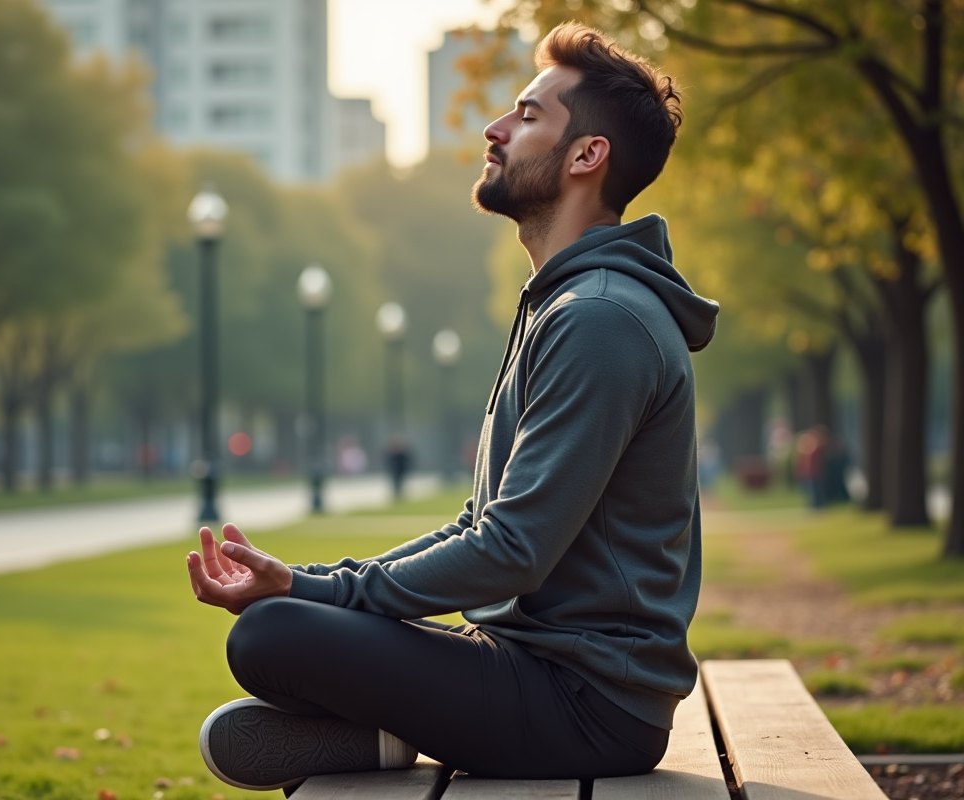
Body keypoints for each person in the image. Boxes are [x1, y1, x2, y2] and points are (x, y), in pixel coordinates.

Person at [185, 21, 719, 792]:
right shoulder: (565, 304)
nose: (494, 129)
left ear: (587, 156)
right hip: (534, 671)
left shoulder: (600, 319)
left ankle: (394, 730)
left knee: (271, 635)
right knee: (281, 623)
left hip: (588, 706)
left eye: (527, 116)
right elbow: (481, 527)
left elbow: (511, 552)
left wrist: (311, 594)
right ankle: (386, 738)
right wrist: (309, 580)